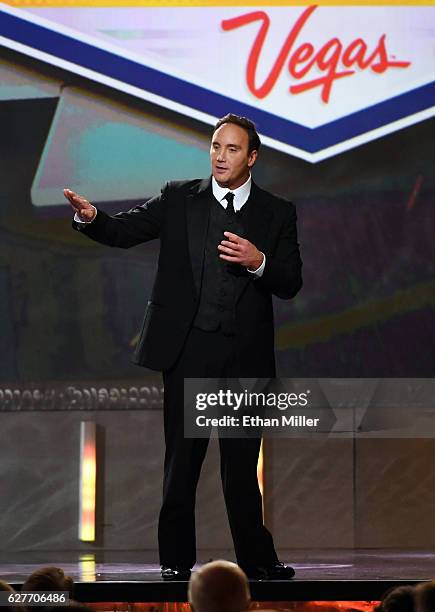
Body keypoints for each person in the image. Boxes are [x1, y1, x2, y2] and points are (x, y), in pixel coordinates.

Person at [64, 113, 302, 581]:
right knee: (182, 464)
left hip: (244, 358)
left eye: (232, 149)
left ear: (251, 157)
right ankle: (175, 562)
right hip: (188, 352)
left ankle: (257, 560)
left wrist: (259, 262)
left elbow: (291, 281)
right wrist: (91, 218)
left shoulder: (277, 212)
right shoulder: (179, 198)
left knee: (240, 470)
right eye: (216, 146)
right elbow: (124, 230)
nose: (220, 156)